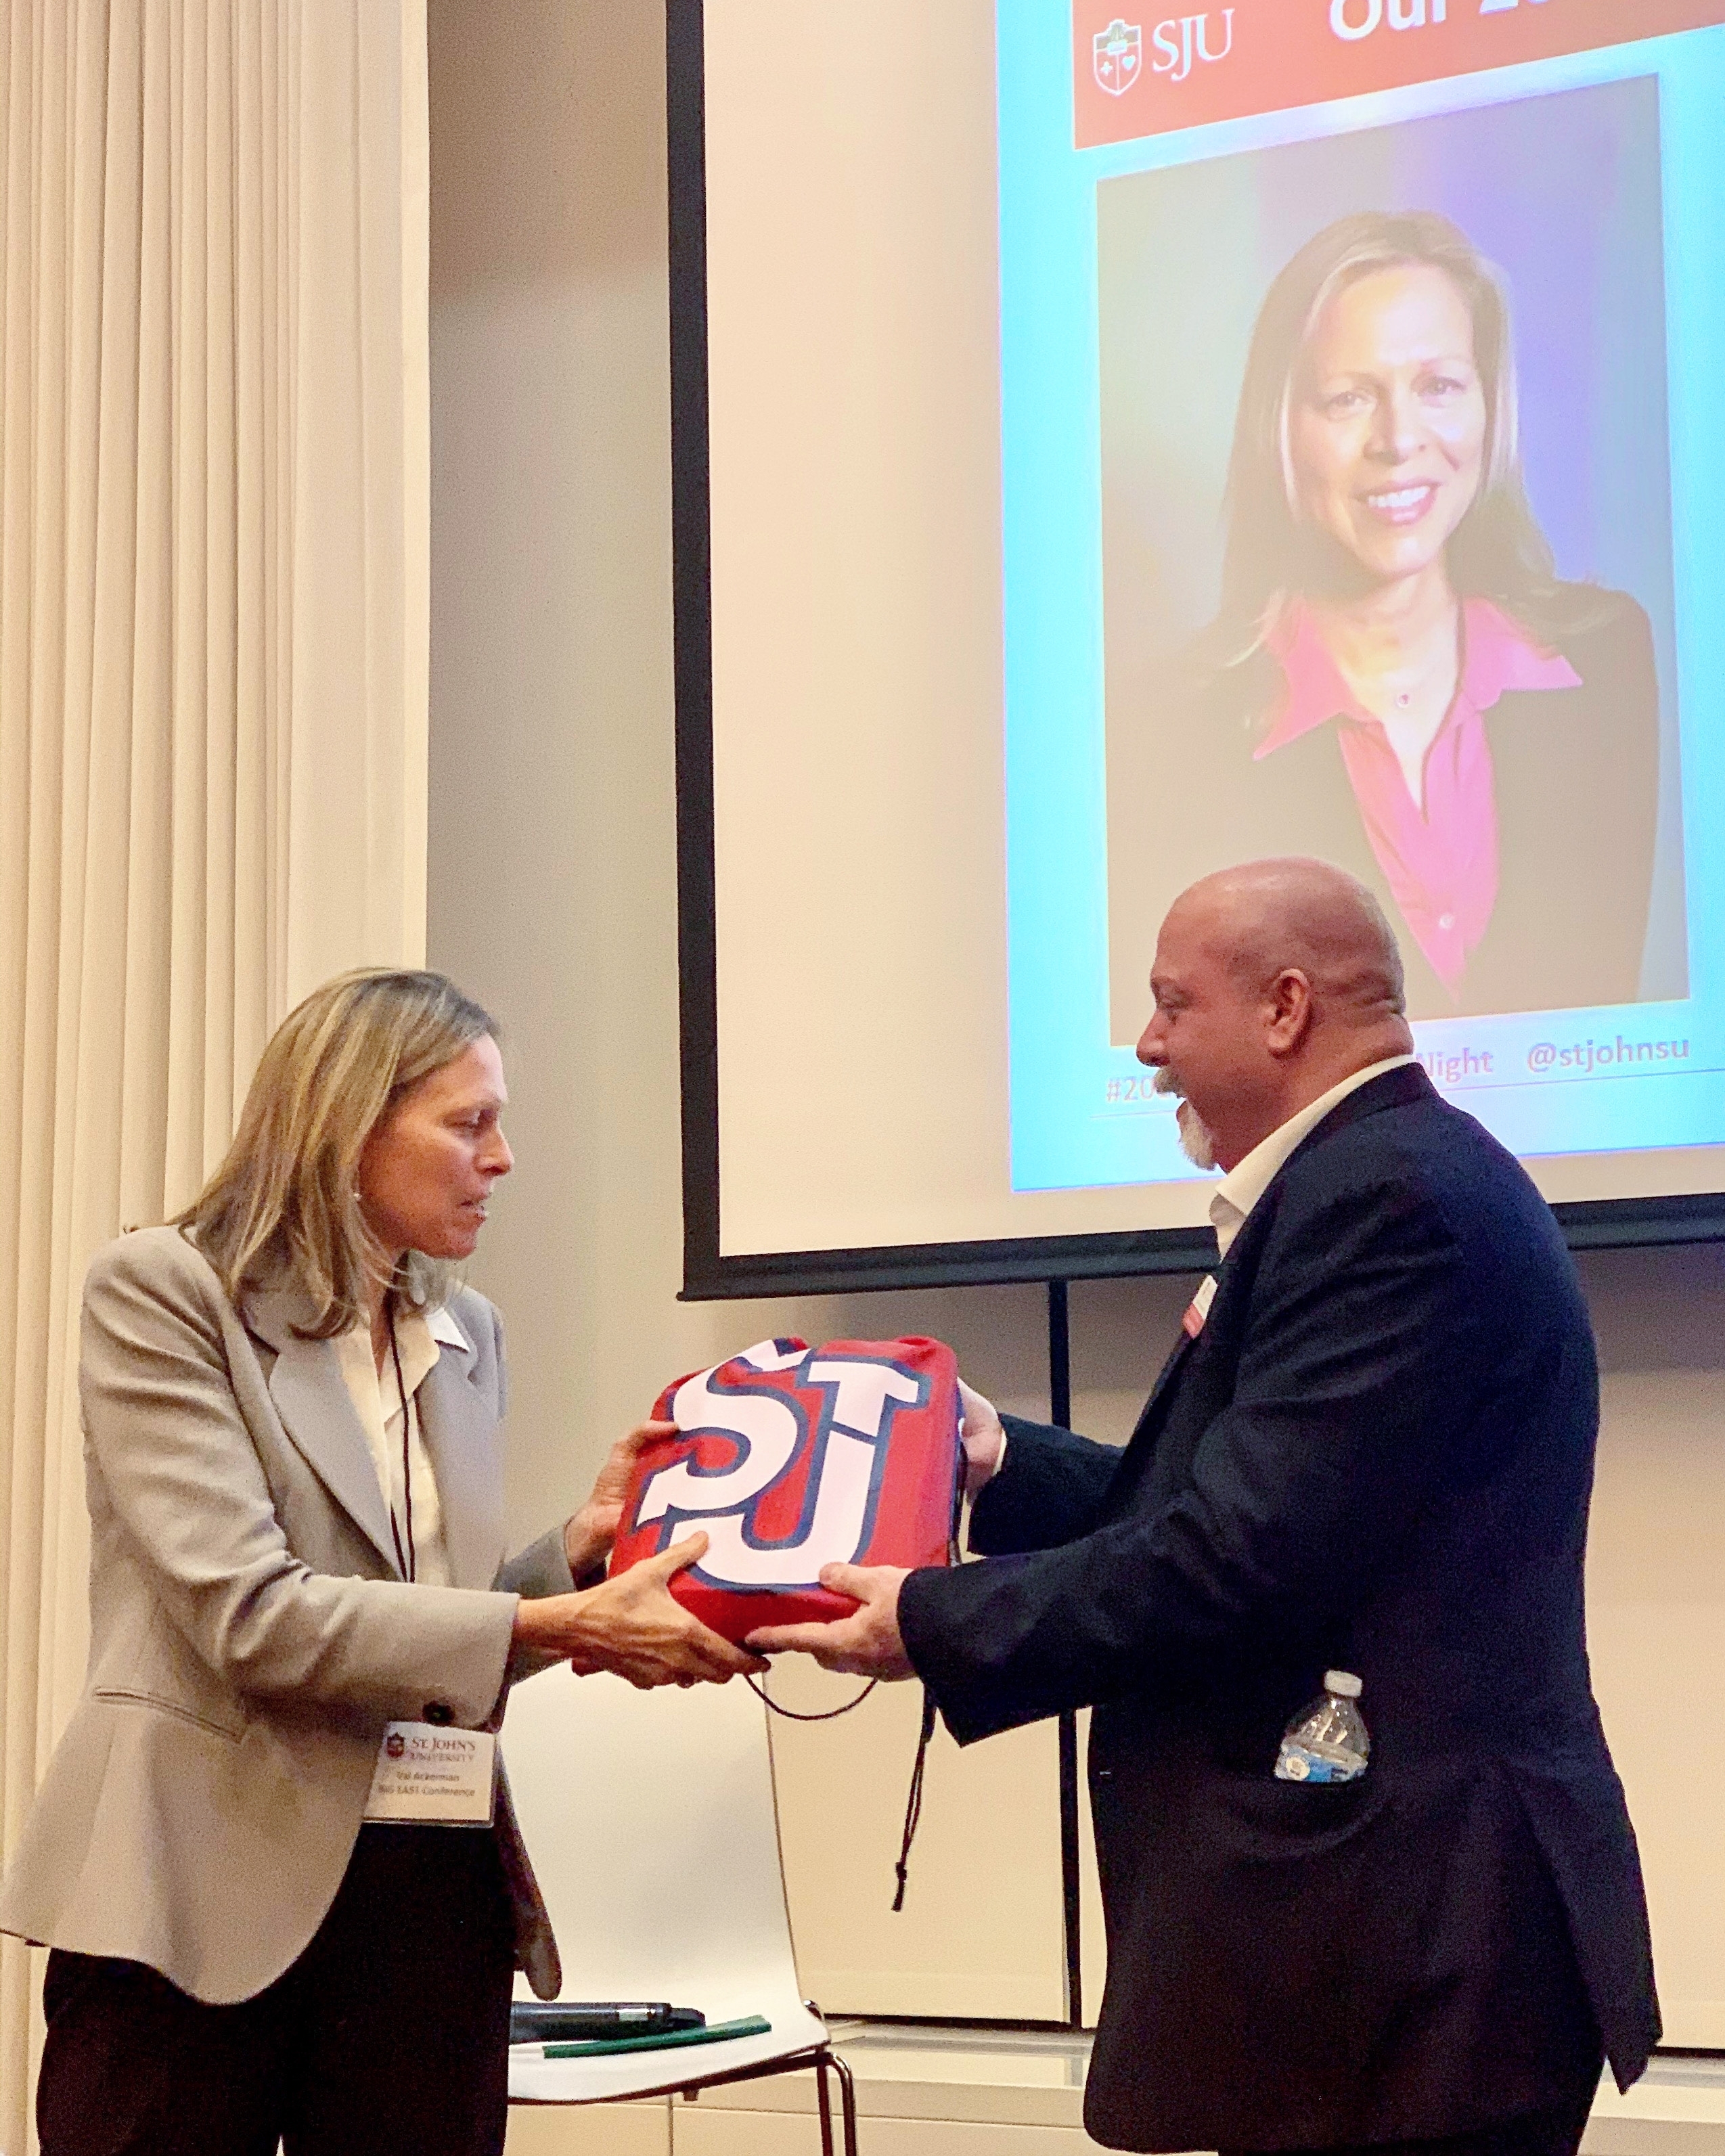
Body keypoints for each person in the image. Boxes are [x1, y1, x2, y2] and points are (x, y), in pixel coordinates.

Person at [755, 859, 1660, 2156]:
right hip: (1382, 1943)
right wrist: (995, 1458)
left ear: (1284, 1008)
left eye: (1171, 1005)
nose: (1145, 1044)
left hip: (1415, 1947)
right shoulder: (1370, 1177)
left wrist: (926, 1618)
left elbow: (1236, 1559)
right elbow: (1225, 1507)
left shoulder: (1385, 1200)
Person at [0, 968, 765, 2156]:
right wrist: (567, 1629)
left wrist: (571, 1556)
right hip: (200, 1882)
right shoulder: (164, 1290)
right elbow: (253, 1618)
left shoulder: (469, 1331)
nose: (502, 1158)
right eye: (468, 1124)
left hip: (422, 1885)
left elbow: (428, 1629)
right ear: (348, 1126)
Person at [1106, 210, 1666, 1031]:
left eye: (1438, 386)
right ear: (1281, 431)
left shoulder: (1606, 657)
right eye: (1346, 399)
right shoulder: (1174, 730)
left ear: (1487, 406)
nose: (1399, 439)